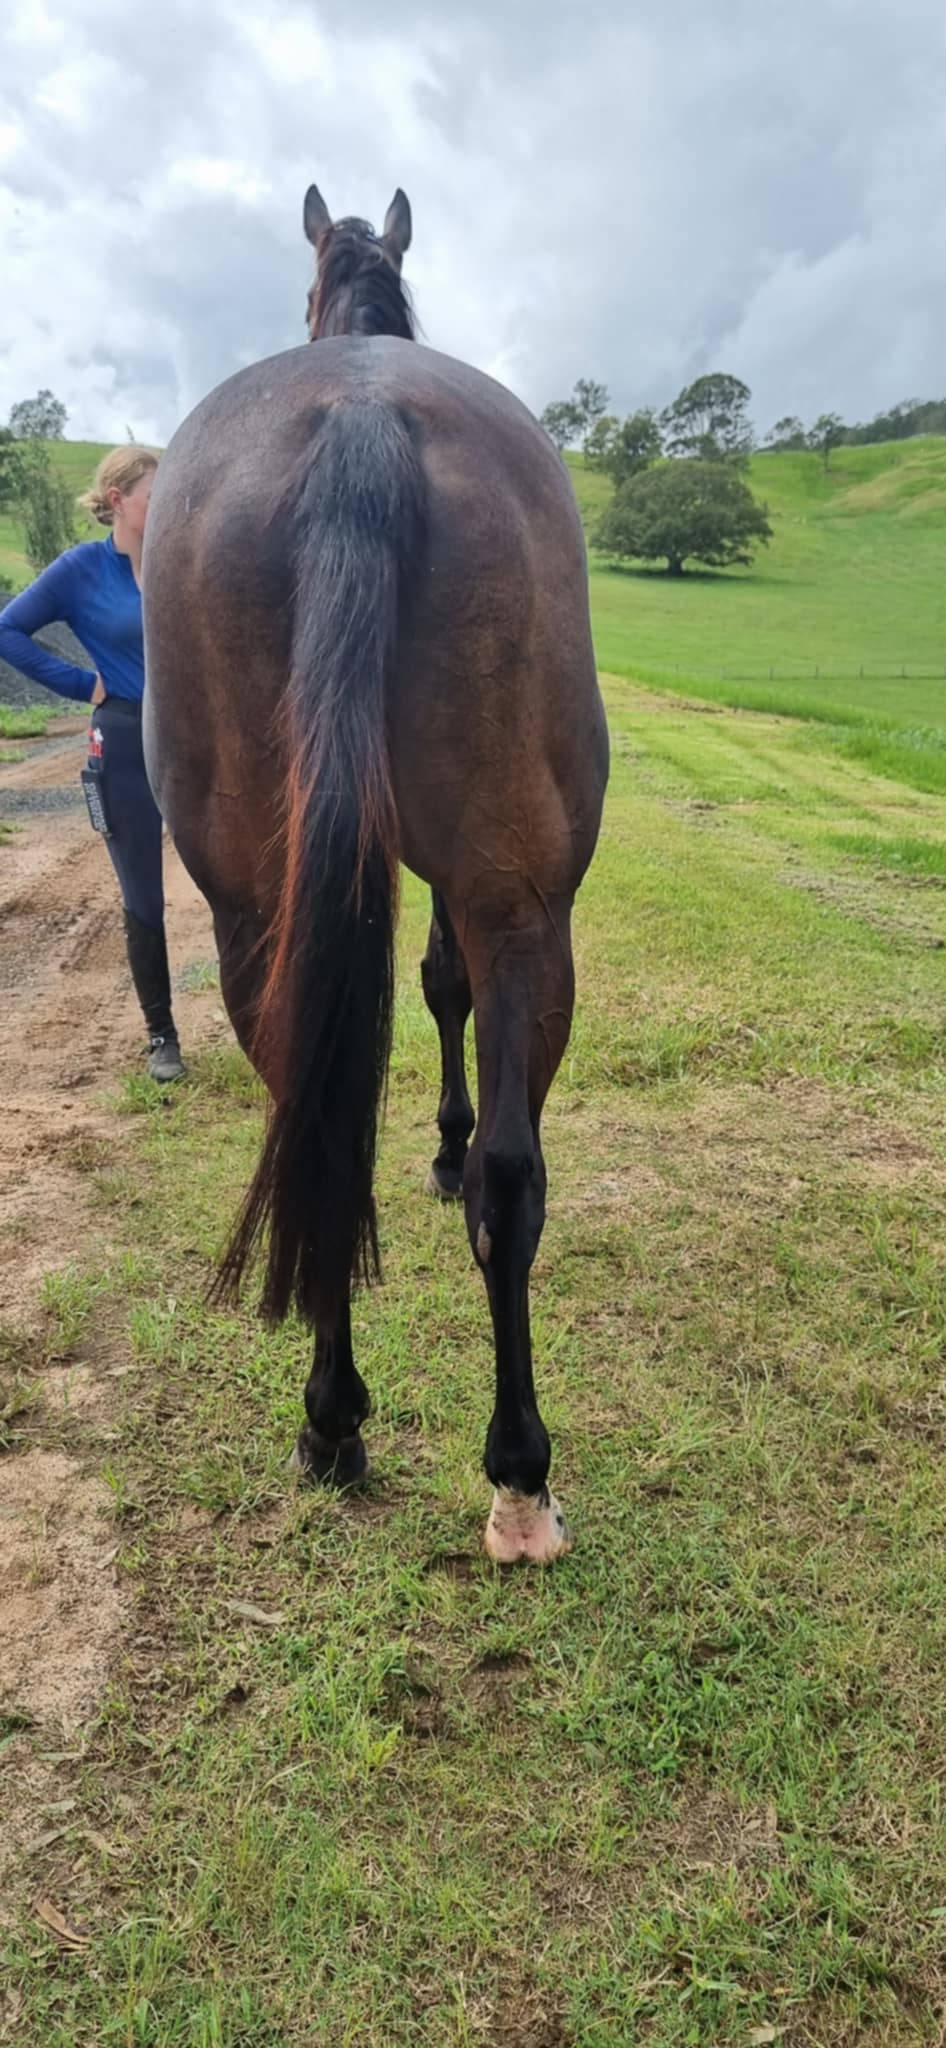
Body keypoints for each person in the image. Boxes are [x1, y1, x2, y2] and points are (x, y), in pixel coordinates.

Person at [0, 447, 185, 1082]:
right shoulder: (81, 570)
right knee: (144, 892)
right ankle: (162, 1036)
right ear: (116, 500)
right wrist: (83, 685)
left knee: (232, 874)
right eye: (154, 494)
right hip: (125, 736)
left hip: (190, 735)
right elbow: (7, 631)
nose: (167, 503)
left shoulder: (180, 556)